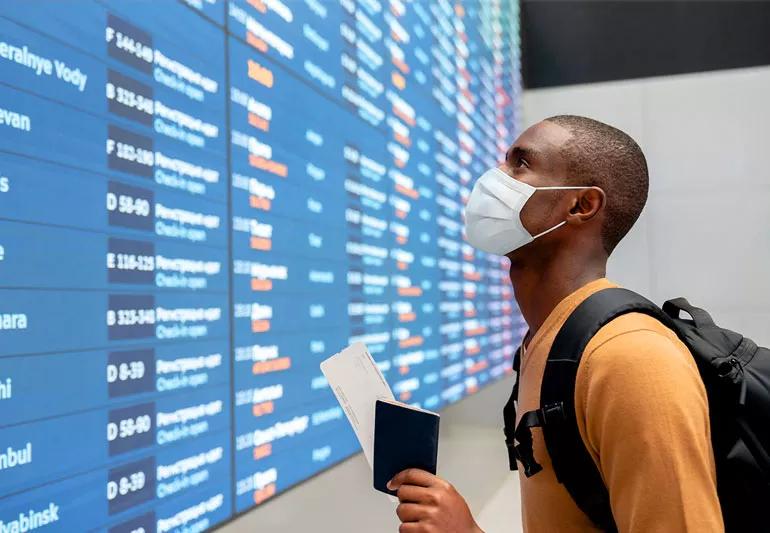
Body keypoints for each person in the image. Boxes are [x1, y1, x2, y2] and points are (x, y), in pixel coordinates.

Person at [388, 115, 724, 532]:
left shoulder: (631, 358)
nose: (494, 179)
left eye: (520, 164)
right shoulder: (545, 341)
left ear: (581, 205)